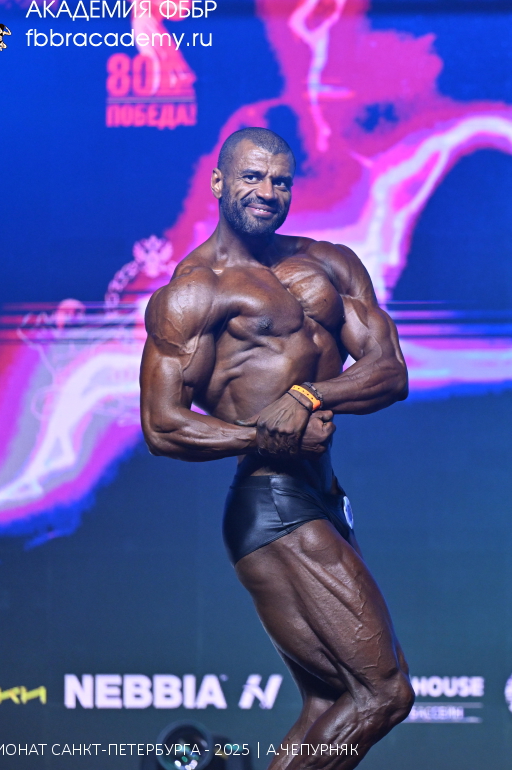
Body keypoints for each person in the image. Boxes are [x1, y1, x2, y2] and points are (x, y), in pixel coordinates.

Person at [139, 126, 413, 769]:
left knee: (330, 703)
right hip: (271, 502)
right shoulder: (195, 290)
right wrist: (268, 432)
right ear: (219, 183)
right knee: (385, 692)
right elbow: (162, 426)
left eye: (281, 180)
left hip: (322, 495)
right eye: (252, 177)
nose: (268, 191)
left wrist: (310, 397)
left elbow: (390, 373)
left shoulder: (331, 263)